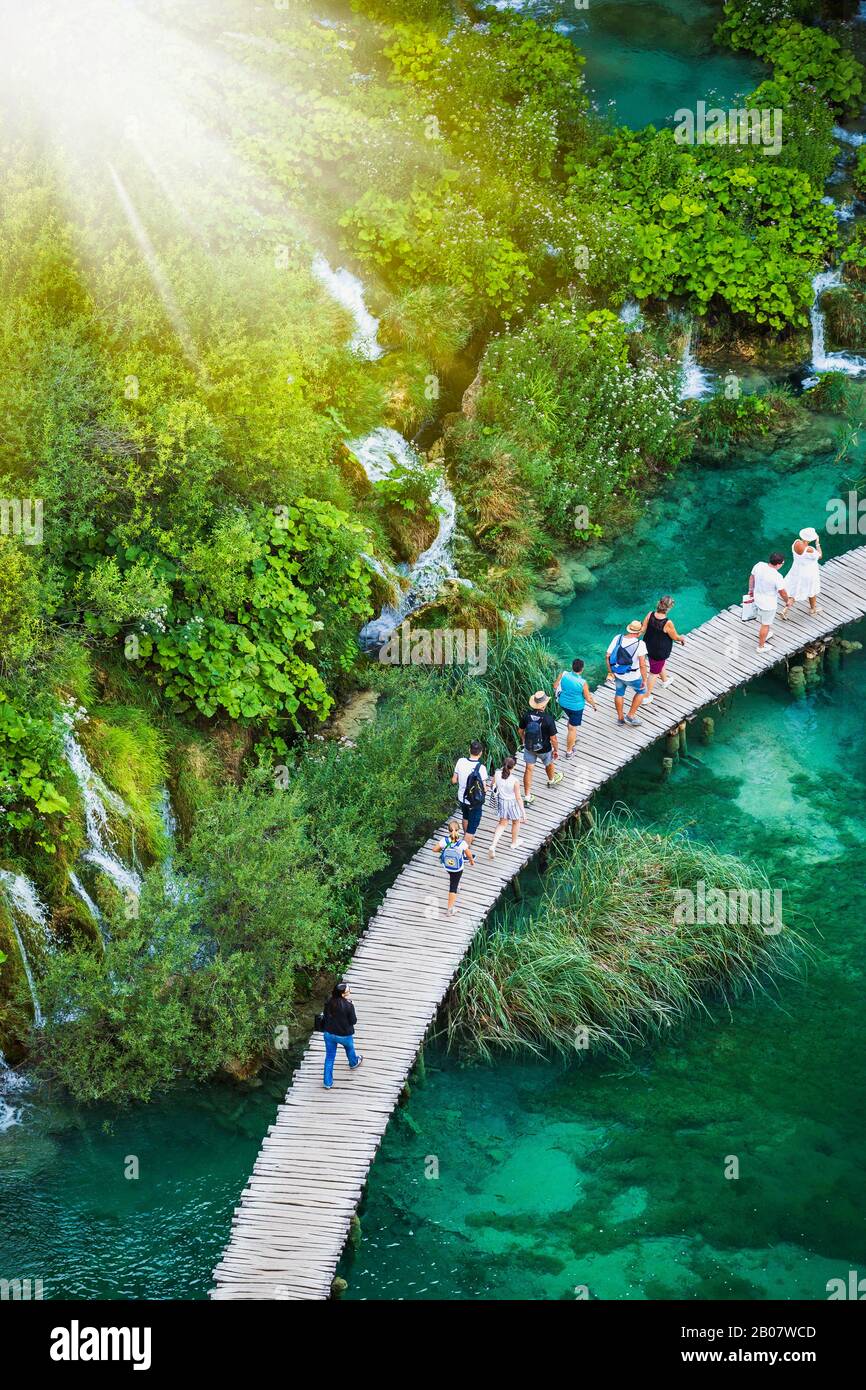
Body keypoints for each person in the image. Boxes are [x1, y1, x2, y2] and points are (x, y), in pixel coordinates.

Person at [518, 691, 562, 804]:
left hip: (529, 747)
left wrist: (523, 740)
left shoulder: (527, 715)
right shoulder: (548, 719)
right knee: (549, 763)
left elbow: (520, 731)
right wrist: (556, 750)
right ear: (543, 705)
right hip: (544, 748)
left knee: (528, 769)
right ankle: (551, 780)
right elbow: (553, 739)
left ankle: (527, 797)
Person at [639, 596, 686, 702]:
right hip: (659, 651)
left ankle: (665, 680)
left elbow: (642, 630)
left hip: (648, 646)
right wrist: (681, 639)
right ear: (669, 608)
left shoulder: (650, 614)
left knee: (658, 664)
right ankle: (646, 697)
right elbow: (675, 637)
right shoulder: (667, 622)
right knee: (653, 673)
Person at [606, 621, 649, 726]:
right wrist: (644, 679)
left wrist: (610, 672)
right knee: (642, 691)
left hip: (619, 673)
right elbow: (642, 665)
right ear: (638, 633)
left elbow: (607, 656)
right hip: (634, 676)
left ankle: (620, 719)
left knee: (619, 693)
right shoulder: (640, 644)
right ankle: (630, 716)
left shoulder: (618, 638)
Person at [322, 982, 362, 1090]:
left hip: (329, 1033)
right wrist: (351, 1006)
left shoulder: (329, 1002)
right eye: (348, 990)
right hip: (344, 1035)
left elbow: (325, 1015)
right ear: (343, 994)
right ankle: (353, 1063)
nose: (350, 991)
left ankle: (327, 1083)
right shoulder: (349, 1005)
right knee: (349, 1048)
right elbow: (353, 1021)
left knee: (329, 1058)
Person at [749, 552, 793, 649]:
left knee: (763, 620)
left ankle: (765, 634)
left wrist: (750, 590)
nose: (782, 565)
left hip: (757, 598)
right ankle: (761, 646)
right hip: (768, 604)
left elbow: (752, 577)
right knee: (766, 624)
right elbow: (782, 592)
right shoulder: (777, 576)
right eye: (782, 564)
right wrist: (787, 601)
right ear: (778, 564)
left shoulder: (759, 565)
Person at [553, 658, 597, 757]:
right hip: (576, 708)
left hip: (563, 703)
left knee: (570, 721)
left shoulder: (563, 674)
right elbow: (587, 697)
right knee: (573, 728)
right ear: (582, 669)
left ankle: (571, 738)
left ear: (572, 666)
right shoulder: (582, 682)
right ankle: (569, 751)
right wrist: (593, 705)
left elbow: (555, 686)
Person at [432, 818, 475, 915]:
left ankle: (457, 885)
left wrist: (443, 851)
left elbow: (434, 849)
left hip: (447, 866)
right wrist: (471, 861)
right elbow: (468, 854)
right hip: (458, 868)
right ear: (459, 830)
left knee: (453, 878)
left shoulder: (445, 841)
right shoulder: (461, 843)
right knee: (453, 887)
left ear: (448, 831)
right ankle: (450, 910)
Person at [451, 740, 489, 848]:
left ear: (469, 750)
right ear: (480, 753)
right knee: (472, 828)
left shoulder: (460, 761)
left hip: (462, 798)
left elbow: (454, 780)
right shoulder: (481, 768)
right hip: (475, 801)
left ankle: (467, 838)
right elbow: (484, 789)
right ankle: (464, 849)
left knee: (466, 817)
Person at [488, 754, 526, 858]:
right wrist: (523, 812)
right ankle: (514, 843)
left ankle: (493, 845)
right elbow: (518, 798)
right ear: (513, 767)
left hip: (501, 801)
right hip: (512, 803)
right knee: (516, 821)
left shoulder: (497, 774)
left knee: (502, 823)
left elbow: (492, 785)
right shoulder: (514, 780)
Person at [783, 527, 822, 616]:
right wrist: (817, 544)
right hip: (808, 573)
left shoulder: (795, 543)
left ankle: (785, 609)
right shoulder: (810, 550)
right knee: (811, 591)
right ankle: (813, 609)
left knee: (795, 591)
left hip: (796, 571)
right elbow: (820, 556)